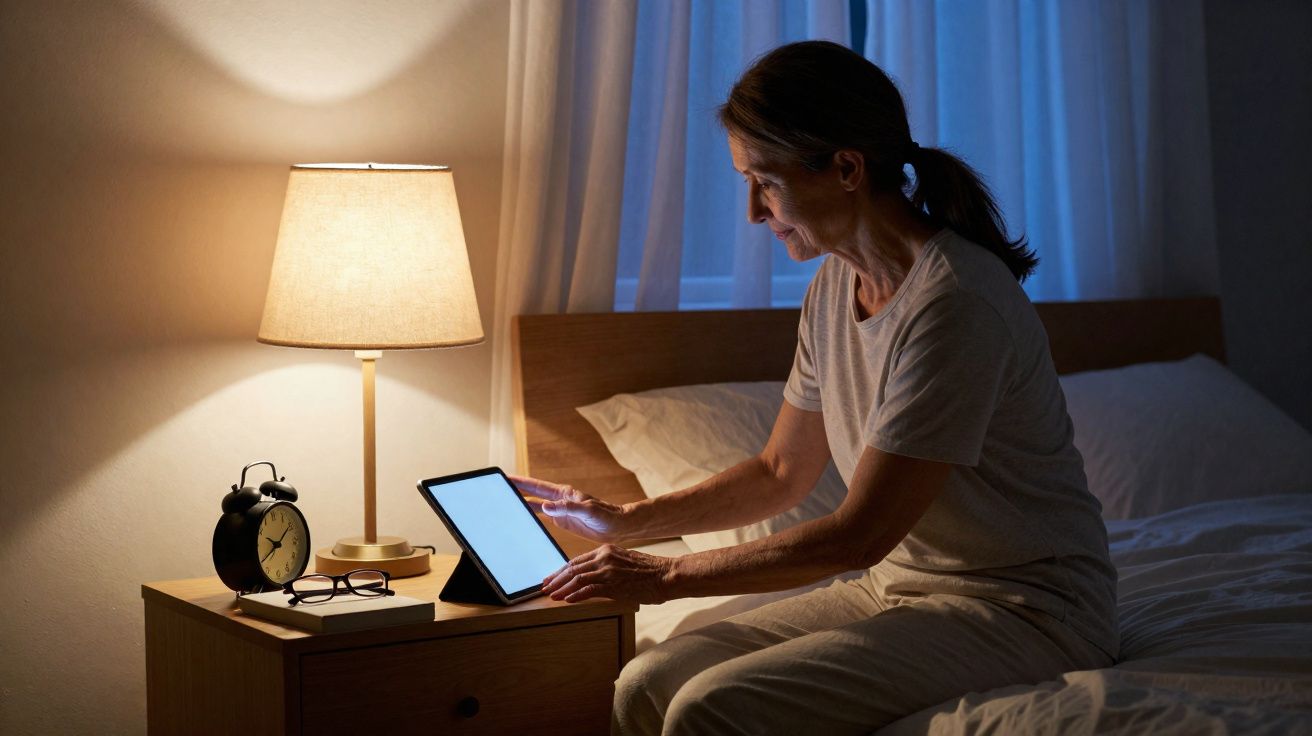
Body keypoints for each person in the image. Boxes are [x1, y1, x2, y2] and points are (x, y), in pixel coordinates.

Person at [512, 40, 1117, 735]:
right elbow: (780, 471)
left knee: (714, 708)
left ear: (847, 168)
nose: (750, 212)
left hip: (1027, 609)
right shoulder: (834, 284)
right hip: (898, 590)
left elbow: (856, 536)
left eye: (764, 181)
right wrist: (626, 521)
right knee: (647, 682)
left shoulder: (956, 305)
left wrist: (663, 578)